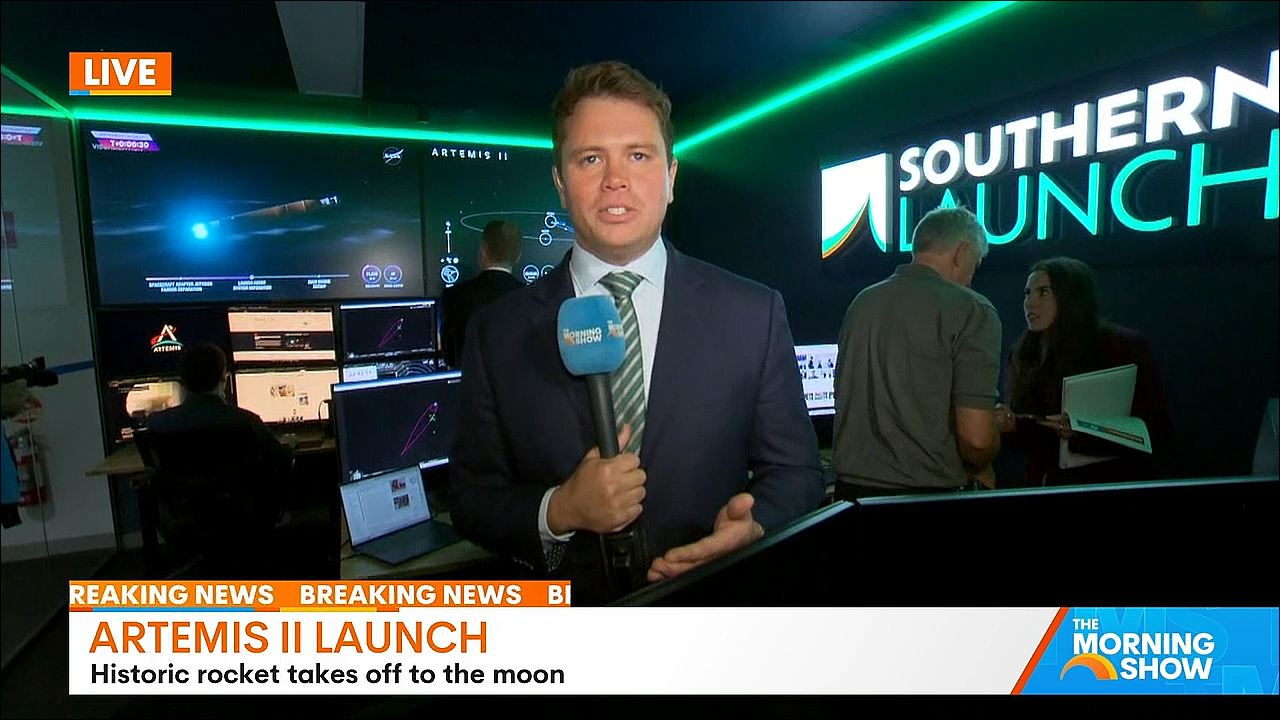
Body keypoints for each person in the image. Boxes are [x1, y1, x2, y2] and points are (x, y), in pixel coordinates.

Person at [449, 60, 823, 605]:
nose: (615, 179)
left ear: (671, 177)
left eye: (639, 155)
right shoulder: (496, 333)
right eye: (590, 158)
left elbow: (797, 473)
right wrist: (558, 510)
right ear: (560, 183)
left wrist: (755, 525)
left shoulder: (753, 314)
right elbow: (470, 498)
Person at [832, 206, 1002, 501]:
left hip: (850, 498)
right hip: (925, 502)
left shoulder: (862, 303)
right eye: (974, 266)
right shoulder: (973, 310)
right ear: (961, 253)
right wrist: (990, 445)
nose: (970, 280)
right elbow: (976, 440)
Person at [995, 257, 1171, 486]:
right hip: (1050, 487)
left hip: (1116, 483)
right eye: (1027, 293)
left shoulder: (1122, 346)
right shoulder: (1023, 354)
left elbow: (1156, 429)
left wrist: (1083, 430)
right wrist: (1010, 425)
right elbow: (1028, 440)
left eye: (1043, 292)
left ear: (1070, 297)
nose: (1030, 303)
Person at [146, 343, 294, 503]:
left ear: (183, 381)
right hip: (240, 510)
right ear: (225, 378)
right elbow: (282, 459)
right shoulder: (247, 421)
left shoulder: (157, 423)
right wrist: (288, 445)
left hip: (185, 512)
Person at [439, 219, 526, 368]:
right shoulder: (531, 298)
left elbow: (449, 357)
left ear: (483, 251)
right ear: (518, 256)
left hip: (468, 382)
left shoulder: (454, 296)